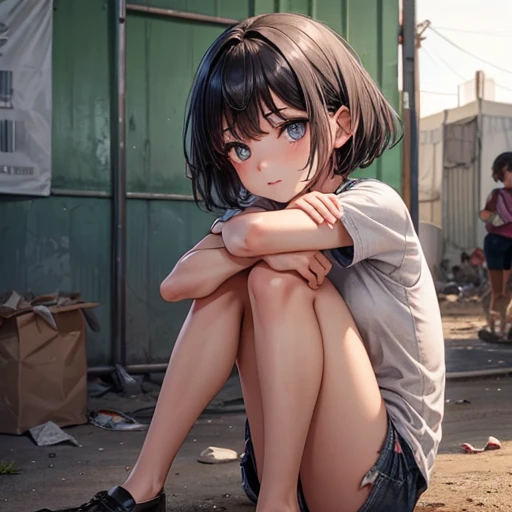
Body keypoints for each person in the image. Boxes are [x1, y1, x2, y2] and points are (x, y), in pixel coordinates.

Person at [37, 12, 445, 512]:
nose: (265, 166)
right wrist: (252, 238)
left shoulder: (374, 206)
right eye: (241, 146)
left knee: (275, 280)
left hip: (379, 472)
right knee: (236, 280)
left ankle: (277, 503)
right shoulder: (261, 211)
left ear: (340, 125)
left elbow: (250, 237)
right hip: (279, 461)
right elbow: (178, 283)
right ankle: (141, 489)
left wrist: (246, 238)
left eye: (291, 128)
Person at [479, 152, 512, 339]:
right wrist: (494, 218)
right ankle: (497, 328)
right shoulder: (497, 195)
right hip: (498, 243)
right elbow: (485, 214)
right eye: (509, 170)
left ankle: (505, 326)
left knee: (507, 287)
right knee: (499, 288)